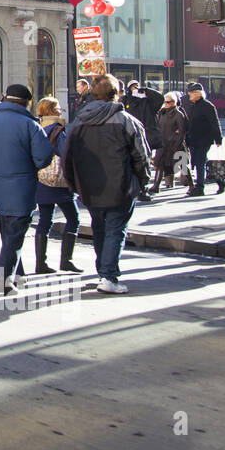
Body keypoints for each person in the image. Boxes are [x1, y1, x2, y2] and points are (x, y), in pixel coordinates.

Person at [63, 74, 152, 294]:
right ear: (116, 93)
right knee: (115, 230)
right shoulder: (126, 120)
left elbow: (67, 156)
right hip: (120, 185)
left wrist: (74, 183)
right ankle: (108, 275)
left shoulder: (80, 121)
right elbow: (141, 155)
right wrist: (143, 180)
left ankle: (104, 272)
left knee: (100, 229)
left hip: (90, 186)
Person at [0, 84, 54, 293]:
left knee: (9, 232)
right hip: (23, 186)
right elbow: (44, 157)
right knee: (15, 235)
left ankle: (18, 275)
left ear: (4, 98)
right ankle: (4, 279)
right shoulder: (30, 125)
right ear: (27, 102)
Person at [34, 97, 80, 273]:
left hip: (42, 179)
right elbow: (64, 153)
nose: (61, 111)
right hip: (59, 181)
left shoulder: (37, 128)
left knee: (45, 219)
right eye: (58, 108)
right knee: (73, 218)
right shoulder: (58, 130)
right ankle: (66, 260)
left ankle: (40, 263)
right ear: (52, 111)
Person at [122, 82, 164, 199]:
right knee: (132, 163)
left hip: (146, 136)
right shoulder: (127, 100)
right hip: (131, 135)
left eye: (136, 87)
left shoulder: (148, 102)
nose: (135, 90)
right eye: (132, 88)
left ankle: (143, 189)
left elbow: (160, 98)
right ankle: (133, 188)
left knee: (144, 163)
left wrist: (146, 90)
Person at [182, 83, 225, 196]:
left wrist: (218, 139)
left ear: (197, 94)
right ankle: (221, 181)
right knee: (200, 162)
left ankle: (200, 187)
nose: (189, 95)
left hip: (204, 139)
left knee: (200, 162)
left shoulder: (207, 106)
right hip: (194, 139)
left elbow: (214, 123)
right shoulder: (193, 105)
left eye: (191, 93)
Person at [150, 93, 190, 192]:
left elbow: (182, 131)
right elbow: (158, 127)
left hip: (174, 143)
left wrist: (177, 144)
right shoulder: (162, 113)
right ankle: (156, 186)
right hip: (163, 143)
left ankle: (191, 185)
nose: (166, 104)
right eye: (165, 102)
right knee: (160, 164)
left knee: (182, 165)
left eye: (168, 102)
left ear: (174, 103)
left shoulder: (178, 114)